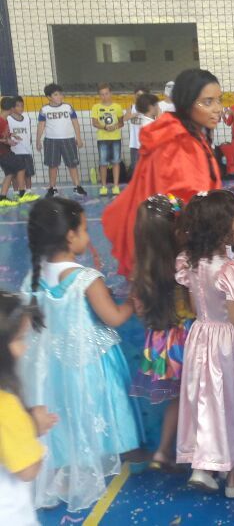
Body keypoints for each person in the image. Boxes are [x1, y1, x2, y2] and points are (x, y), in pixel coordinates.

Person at [21, 198, 141, 511]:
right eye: (85, 230)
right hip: (89, 363)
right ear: (70, 236)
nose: (88, 237)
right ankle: (101, 455)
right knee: (95, 406)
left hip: (51, 366)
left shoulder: (32, 277)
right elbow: (113, 317)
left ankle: (63, 468)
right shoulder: (85, 278)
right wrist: (132, 301)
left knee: (62, 412)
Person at [174, 190, 234, 498]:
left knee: (204, 398)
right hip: (228, 342)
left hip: (201, 336)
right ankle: (233, 477)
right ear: (225, 228)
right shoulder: (233, 268)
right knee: (233, 403)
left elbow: (194, 306)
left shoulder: (188, 261)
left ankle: (202, 464)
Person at [102, 68, 224, 278]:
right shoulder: (178, 143)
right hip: (171, 253)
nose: (218, 109)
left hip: (170, 244)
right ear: (187, 103)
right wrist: (221, 219)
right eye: (207, 102)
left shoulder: (184, 133)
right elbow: (176, 202)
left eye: (219, 100)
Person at [128, 194, 192, 473]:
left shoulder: (142, 269)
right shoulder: (183, 265)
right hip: (186, 341)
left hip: (159, 342)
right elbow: (195, 306)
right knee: (194, 399)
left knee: (179, 399)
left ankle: (163, 451)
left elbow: (140, 310)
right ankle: (191, 453)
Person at [0, 291, 58, 526]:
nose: (24, 348)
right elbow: (28, 469)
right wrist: (33, 425)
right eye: (19, 339)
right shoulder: (6, 406)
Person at [34, 83, 86, 198]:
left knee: (72, 164)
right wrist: (38, 140)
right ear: (49, 97)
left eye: (60, 94)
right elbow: (41, 125)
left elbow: (75, 123)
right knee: (52, 165)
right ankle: (52, 188)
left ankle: (77, 186)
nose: (60, 96)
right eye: (56, 94)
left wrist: (78, 137)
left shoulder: (68, 107)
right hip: (51, 141)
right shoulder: (44, 109)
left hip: (68, 140)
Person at [91, 83, 125, 196]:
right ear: (99, 95)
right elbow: (94, 123)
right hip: (102, 138)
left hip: (115, 138)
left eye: (106, 93)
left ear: (110, 93)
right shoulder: (96, 107)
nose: (104, 96)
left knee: (116, 162)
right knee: (103, 163)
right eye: (102, 94)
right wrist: (104, 127)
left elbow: (121, 122)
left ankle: (116, 186)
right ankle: (103, 186)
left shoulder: (117, 107)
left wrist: (115, 126)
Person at [0, 98, 31, 208]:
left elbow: (4, 133)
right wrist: (7, 141)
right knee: (21, 166)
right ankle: (22, 194)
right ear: (12, 109)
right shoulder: (1, 121)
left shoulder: (5, 120)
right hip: (2, 152)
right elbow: (2, 138)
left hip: (5, 151)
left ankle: (2, 198)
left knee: (10, 173)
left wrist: (12, 135)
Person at [6, 96, 36, 197]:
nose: (21, 108)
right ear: (12, 107)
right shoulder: (8, 119)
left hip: (26, 151)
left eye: (22, 106)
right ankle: (16, 192)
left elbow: (28, 133)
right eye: (18, 106)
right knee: (15, 174)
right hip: (14, 151)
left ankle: (29, 191)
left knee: (28, 173)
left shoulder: (26, 118)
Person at [125, 87, 149, 171]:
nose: (139, 97)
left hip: (146, 144)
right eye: (138, 95)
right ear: (134, 96)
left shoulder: (149, 108)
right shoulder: (131, 107)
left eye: (142, 95)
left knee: (147, 168)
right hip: (134, 143)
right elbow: (125, 118)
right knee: (135, 168)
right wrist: (137, 113)